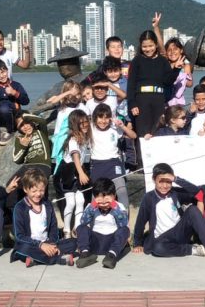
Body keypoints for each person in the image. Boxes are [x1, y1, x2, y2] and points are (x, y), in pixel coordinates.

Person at [132, 163, 205, 261]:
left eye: (168, 182)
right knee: (157, 248)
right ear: (154, 180)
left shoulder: (175, 193)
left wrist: (176, 179)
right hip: (162, 239)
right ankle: (193, 249)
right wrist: (137, 243)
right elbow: (141, 221)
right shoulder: (148, 198)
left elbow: (197, 192)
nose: (165, 186)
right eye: (161, 181)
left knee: (192, 210)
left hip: (180, 233)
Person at [127, 30, 183, 147]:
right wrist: (132, 103)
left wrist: (176, 69)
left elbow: (168, 81)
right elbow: (131, 84)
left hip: (158, 100)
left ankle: (158, 164)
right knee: (142, 135)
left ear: (156, 45)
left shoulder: (163, 61)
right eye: (145, 46)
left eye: (151, 46)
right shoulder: (137, 61)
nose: (148, 49)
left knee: (157, 132)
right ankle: (141, 164)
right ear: (140, 46)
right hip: (141, 101)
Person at [12, 169, 77, 267]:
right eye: (34, 191)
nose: (38, 194)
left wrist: (51, 245)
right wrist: (40, 245)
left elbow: (53, 229)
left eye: (41, 190)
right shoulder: (20, 208)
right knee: (22, 249)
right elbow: (19, 236)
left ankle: (36, 259)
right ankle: (60, 259)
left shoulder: (47, 205)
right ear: (25, 189)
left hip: (48, 242)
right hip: (31, 245)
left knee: (74, 242)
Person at [75, 178, 131, 269]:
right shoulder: (91, 207)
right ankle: (85, 254)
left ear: (114, 196)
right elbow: (83, 221)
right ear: (95, 197)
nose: (104, 202)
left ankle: (111, 256)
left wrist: (113, 206)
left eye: (108, 198)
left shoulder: (119, 206)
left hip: (112, 242)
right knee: (81, 227)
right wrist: (93, 206)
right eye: (100, 198)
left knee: (125, 230)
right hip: (95, 240)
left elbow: (123, 223)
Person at [54, 109, 92, 238]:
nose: (85, 125)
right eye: (81, 123)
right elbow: (75, 156)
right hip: (68, 173)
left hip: (77, 171)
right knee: (70, 202)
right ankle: (66, 230)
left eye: (86, 122)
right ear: (75, 125)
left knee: (80, 200)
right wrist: (81, 173)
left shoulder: (84, 139)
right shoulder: (73, 139)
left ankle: (77, 227)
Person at [90, 104, 135, 207]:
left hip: (114, 163)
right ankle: (92, 220)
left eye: (106, 118)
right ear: (95, 118)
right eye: (100, 117)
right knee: (96, 195)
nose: (103, 121)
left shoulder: (114, 129)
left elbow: (133, 136)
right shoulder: (91, 129)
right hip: (97, 164)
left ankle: (124, 220)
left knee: (122, 191)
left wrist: (122, 126)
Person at [0, 59, 29, 148]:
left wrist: (14, 93)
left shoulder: (16, 85)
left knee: (3, 108)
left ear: (7, 70)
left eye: (3, 72)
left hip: (12, 116)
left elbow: (26, 101)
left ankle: (10, 131)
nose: (1, 76)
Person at [164, 38, 194, 106]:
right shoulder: (166, 66)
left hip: (178, 102)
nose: (172, 52)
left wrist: (185, 75)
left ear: (181, 50)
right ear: (166, 53)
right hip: (166, 101)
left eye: (175, 49)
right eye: (169, 50)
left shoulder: (186, 67)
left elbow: (190, 84)